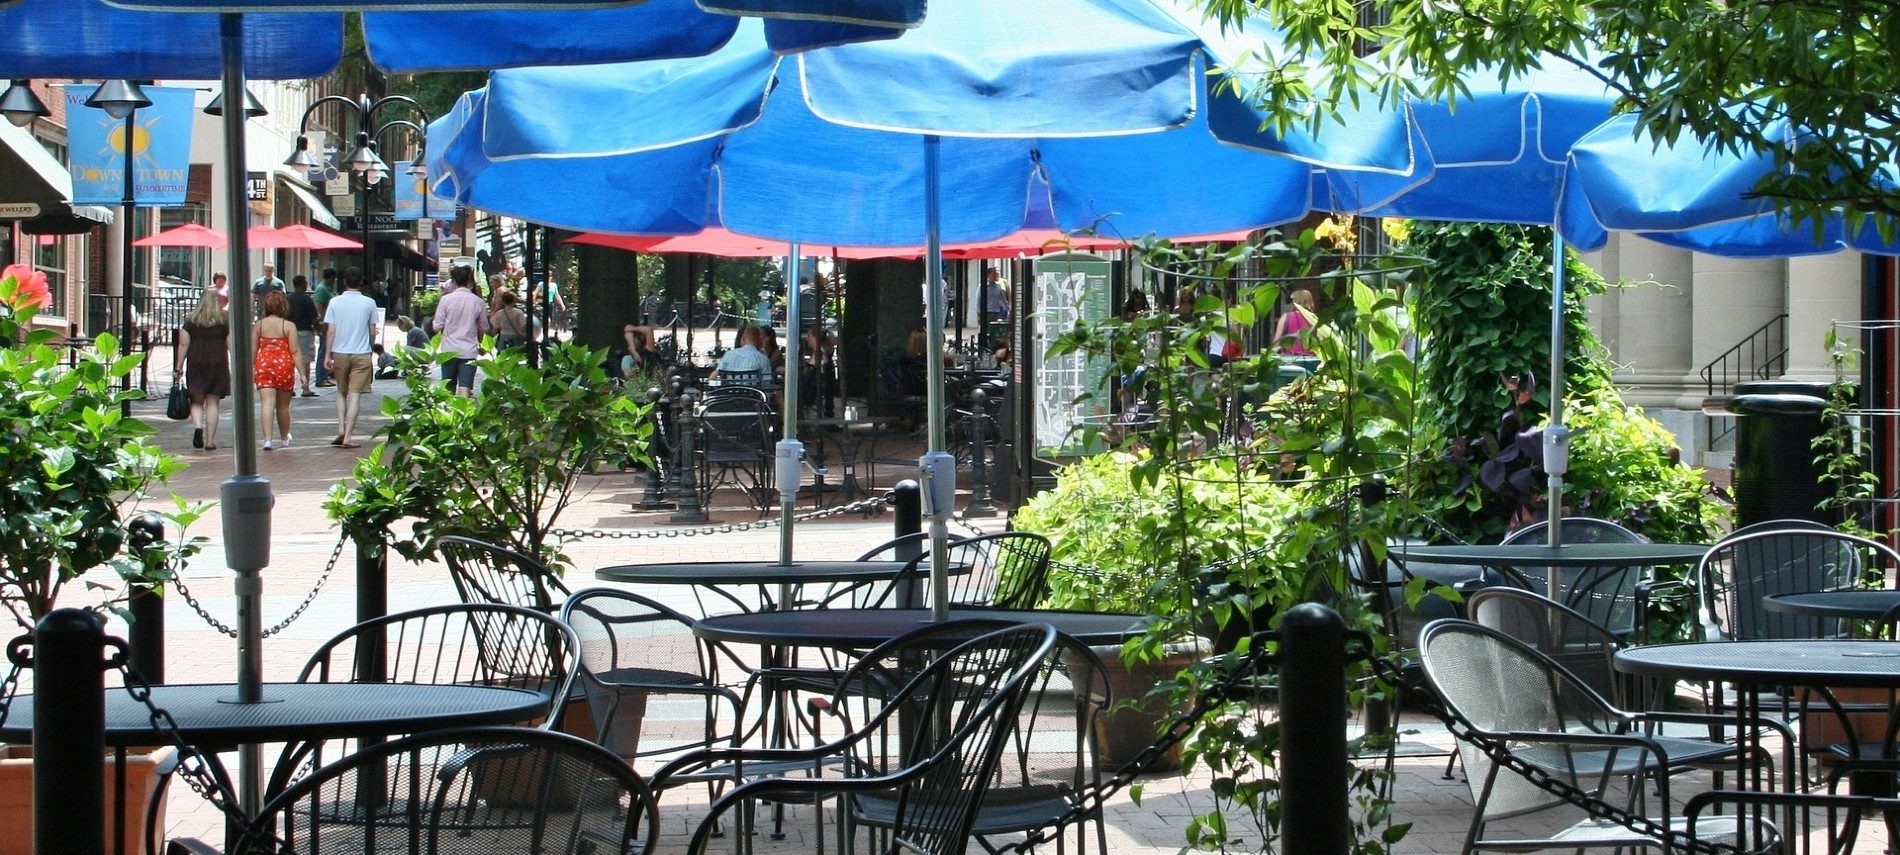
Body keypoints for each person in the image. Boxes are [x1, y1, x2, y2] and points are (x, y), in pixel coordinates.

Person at [323, 267, 380, 449]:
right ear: (361, 282)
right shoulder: (369, 303)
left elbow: (330, 330)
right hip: (361, 352)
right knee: (355, 395)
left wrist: (327, 354)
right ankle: (348, 435)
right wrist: (371, 347)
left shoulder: (334, 302)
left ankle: (340, 428)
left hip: (340, 352)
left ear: (344, 282)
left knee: (341, 392)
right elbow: (372, 332)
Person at [174, 286, 230, 451]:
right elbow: (231, 343)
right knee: (213, 402)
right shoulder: (224, 319)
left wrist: (179, 366)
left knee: (196, 400)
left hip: (196, 362)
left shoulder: (191, 319)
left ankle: (198, 426)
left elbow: (184, 344)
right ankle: (210, 441)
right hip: (218, 363)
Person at [252, 290, 299, 450]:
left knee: (266, 403)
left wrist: (251, 367)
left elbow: (253, 350)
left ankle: (267, 440)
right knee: (283, 406)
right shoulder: (288, 326)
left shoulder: (259, 325)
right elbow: (295, 351)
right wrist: (303, 373)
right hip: (284, 366)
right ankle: (284, 438)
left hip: (264, 365)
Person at [434, 264, 489, 394]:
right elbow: (484, 327)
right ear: (470, 281)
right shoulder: (478, 302)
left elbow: (437, 326)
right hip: (469, 350)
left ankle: (448, 413)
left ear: (454, 281)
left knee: (447, 388)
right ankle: (464, 412)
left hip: (448, 350)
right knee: (466, 387)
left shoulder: (445, 300)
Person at [286, 275, 319, 397]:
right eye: (305, 282)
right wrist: (318, 329)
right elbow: (314, 317)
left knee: (291, 360)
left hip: (290, 332)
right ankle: (305, 388)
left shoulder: (289, 298)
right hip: (305, 331)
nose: (307, 284)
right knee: (305, 360)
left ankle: (289, 387)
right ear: (302, 284)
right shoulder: (307, 299)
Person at [313, 268, 338, 387]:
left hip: (329, 322)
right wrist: (323, 320)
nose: (335, 280)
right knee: (324, 349)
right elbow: (319, 306)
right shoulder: (322, 289)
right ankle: (321, 377)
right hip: (325, 323)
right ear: (330, 277)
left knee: (326, 348)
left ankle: (325, 375)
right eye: (334, 278)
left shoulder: (326, 288)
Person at [1272, 288, 1316, 357]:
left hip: (1289, 359)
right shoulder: (1313, 318)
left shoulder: (1286, 317)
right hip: (1310, 359)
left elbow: (1276, 343)